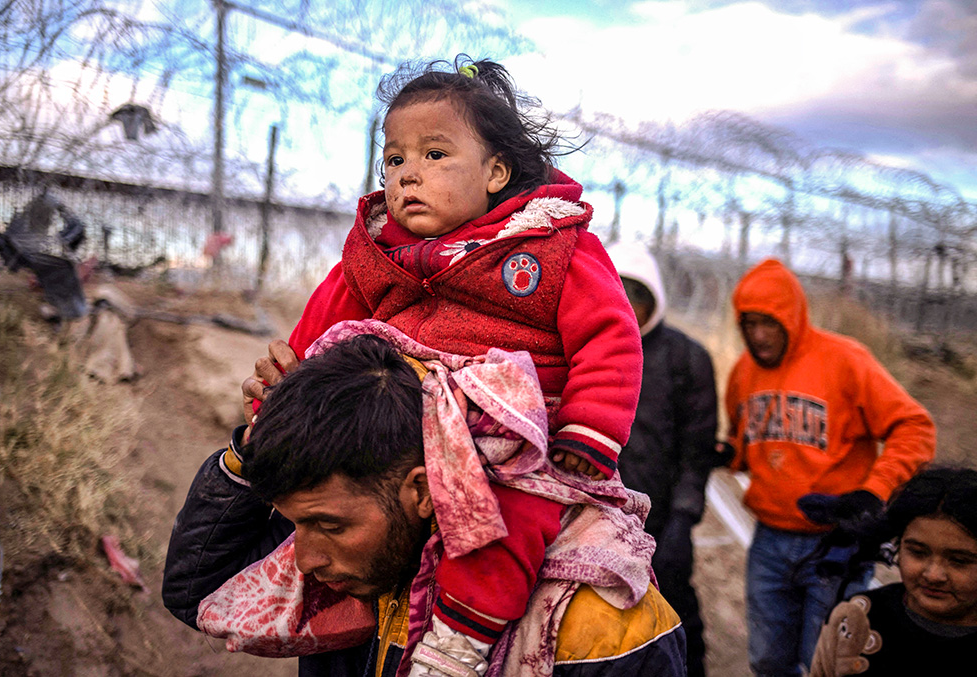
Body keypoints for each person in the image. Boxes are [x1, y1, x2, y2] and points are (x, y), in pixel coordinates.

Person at [240, 55, 642, 671]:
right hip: (399, 437)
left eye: (434, 155)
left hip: (511, 438)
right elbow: (316, 333)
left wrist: (589, 431)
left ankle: (455, 646)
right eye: (394, 159)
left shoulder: (550, 245)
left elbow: (610, 338)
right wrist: (280, 397)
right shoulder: (377, 254)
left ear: (495, 172)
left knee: (501, 526)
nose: (407, 176)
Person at [163, 333, 686, 676]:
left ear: (419, 490)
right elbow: (200, 592)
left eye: (328, 525)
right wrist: (253, 451)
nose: (302, 560)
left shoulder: (600, 621)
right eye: (298, 523)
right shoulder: (365, 558)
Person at [724, 258, 936, 676]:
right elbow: (744, 441)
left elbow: (914, 427)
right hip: (768, 542)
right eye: (749, 324)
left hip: (835, 545)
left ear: (793, 319)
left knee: (826, 663)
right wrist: (727, 452)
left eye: (769, 323)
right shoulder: (743, 371)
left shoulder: (845, 359)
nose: (759, 335)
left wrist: (875, 491)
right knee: (767, 659)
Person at [606, 243, 722, 676]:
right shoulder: (582, 348)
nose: (630, 306)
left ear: (655, 299)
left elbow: (698, 452)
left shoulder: (686, 357)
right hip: (596, 516)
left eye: (640, 294)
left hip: (661, 522)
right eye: (620, 291)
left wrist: (683, 522)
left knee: (674, 617)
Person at [810, 467, 977, 675]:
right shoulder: (856, 619)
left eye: (959, 561)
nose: (933, 575)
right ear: (898, 545)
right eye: (917, 552)